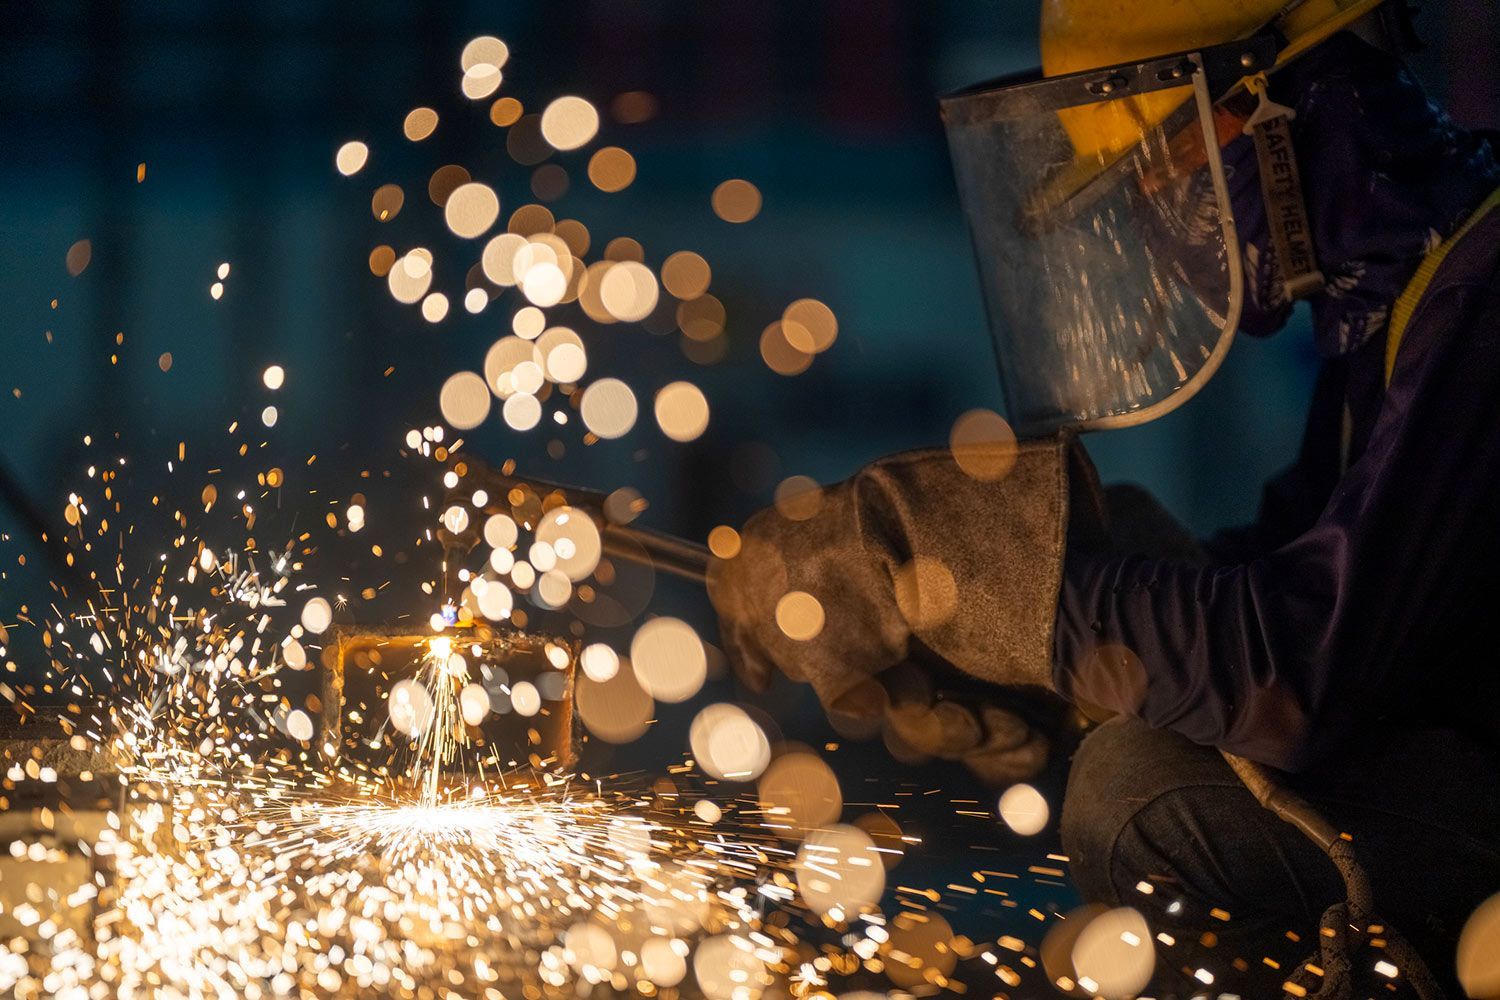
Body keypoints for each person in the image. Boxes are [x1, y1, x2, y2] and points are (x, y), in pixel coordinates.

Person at [708, 0, 1500, 993]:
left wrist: (1004, 582)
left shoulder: (1477, 299)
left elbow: (1299, 670)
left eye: (1163, 173)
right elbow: (1285, 566)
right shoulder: (1396, 309)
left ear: (1275, 109)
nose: (1159, 221)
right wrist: (1030, 656)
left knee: (1139, 795)